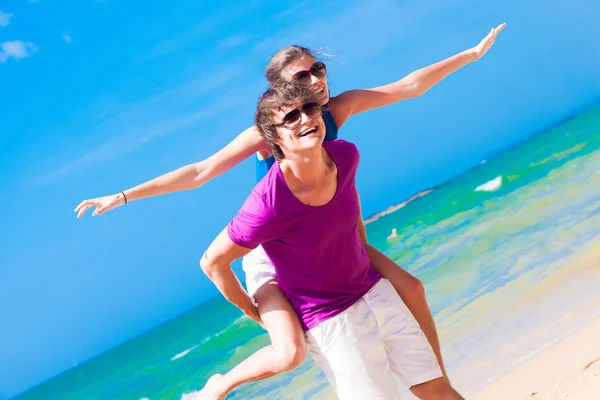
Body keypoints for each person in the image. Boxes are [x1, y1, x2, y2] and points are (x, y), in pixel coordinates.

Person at [74, 24, 505, 398]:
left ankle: (435, 385)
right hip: (273, 248)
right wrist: (124, 195)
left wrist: (469, 54)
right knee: (289, 352)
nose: (317, 79)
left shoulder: (332, 114)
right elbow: (201, 171)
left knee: (411, 289)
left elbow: (408, 85)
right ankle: (220, 385)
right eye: (304, 75)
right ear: (282, 91)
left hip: (330, 235)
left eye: (319, 69)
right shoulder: (270, 133)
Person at [200, 85, 463, 399]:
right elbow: (212, 261)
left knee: (438, 390)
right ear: (276, 138)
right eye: (291, 117)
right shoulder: (268, 204)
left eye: (309, 108)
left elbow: (350, 220)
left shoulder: (345, 155)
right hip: (332, 323)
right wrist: (251, 310)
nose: (305, 119)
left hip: (375, 292)